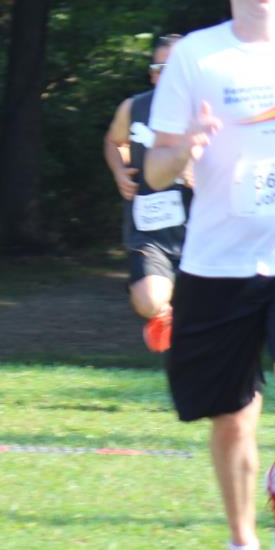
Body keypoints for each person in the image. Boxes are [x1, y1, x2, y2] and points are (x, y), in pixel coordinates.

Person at [146, 0, 275, 550]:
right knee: (231, 418)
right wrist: (186, 149)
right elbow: (154, 170)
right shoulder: (197, 57)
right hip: (219, 263)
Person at [104, 35, 191, 352]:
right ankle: (164, 315)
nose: (167, 76)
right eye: (159, 68)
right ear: (152, 74)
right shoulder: (135, 108)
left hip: (204, 233)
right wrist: (119, 170)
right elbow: (114, 141)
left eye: (175, 68)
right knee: (149, 300)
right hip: (151, 231)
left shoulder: (211, 110)